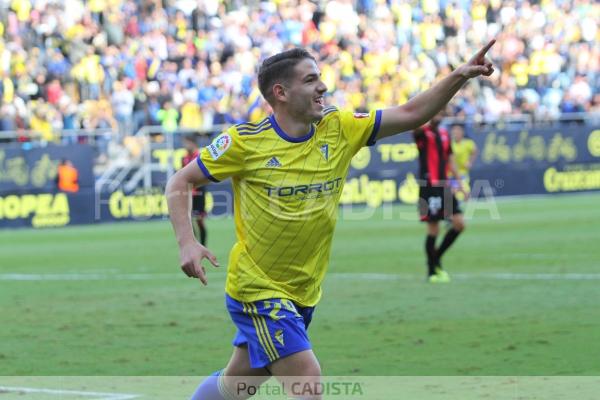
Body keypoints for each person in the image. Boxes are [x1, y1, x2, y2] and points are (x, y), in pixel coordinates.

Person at [166, 42, 495, 399]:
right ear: (281, 92)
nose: (323, 87)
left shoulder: (339, 127)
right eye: (310, 80)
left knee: (236, 384)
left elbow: (412, 113)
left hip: (303, 290)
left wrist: (460, 75)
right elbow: (180, 181)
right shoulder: (244, 143)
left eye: (320, 78)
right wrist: (187, 241)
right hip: (257, 289)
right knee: (307, 381)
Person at [413, 113, 467, 283]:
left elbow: (450, 159)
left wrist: (460, 184)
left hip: (445, 186)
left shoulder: (444, 134)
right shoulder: (423, 133)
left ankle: (435, 258)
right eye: (436, 110)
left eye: (441, 111)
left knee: (459, 224)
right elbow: (415, 126)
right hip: (428, 186)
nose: (439, 114)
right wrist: (426, 113)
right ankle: (432, 272)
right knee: (433, 229)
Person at [181, 135, 208, 245]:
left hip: (199, 193)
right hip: (188, 194)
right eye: (184, 144)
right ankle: (194, 245)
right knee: (190, 222)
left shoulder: (200, 156)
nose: (185, 146)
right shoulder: (184, 158)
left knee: (200, 221)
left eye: (187, 143)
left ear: (193, 143)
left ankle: (203, 245)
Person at [448, 123, 478, 199]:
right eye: (454, 132)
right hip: (451, 174)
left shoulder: (468, 143)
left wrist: (470, 162)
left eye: (457, 131)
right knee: (452, 194)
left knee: (465, 193)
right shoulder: (450, 143)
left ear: (462, 132)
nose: (455, 133)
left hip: (463, 173)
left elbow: (475, 151)